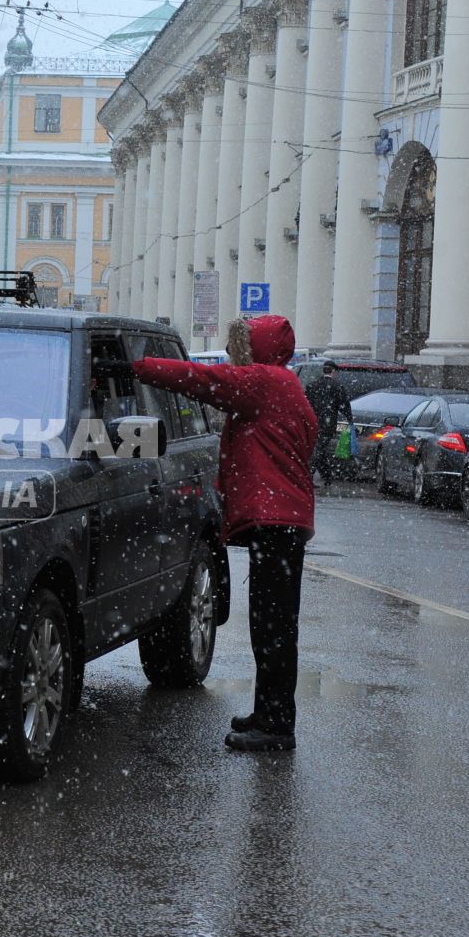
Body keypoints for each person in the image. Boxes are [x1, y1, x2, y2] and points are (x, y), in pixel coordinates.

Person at [95, 315, 318, 752]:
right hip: (283, 522)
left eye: (245, 344)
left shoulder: (263, 382)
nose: (240, 352)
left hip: (275, 523)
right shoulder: (287, 386)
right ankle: (270, 712)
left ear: (260, 348)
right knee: (272, 624)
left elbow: (200, 380)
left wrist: (137, 368)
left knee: (272, 627)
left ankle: (275, 726)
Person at [302, 366, 352, 489]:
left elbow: (305, 403)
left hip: (313, 422)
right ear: (333, 372)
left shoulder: (312, 385)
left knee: (319, 448)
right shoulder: (336, 386)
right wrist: (350, 418)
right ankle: (309, 476)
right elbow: (344, 404)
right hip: (327, 424)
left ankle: (327, 476)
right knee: (319, 449)